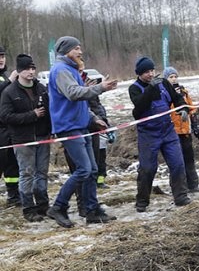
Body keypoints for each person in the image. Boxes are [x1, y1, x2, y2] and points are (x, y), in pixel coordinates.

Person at [46, 36, 118, 228]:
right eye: (76, 48)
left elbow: (80, 104)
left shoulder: (71, 69)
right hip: (68, 127)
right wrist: (100, 88)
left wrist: (94, 119)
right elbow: (74, 93)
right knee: (84, 169)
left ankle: (91, 210)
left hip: (81, 126)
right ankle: (58, 207)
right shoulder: (60, 70)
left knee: (92, 169)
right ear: (66, 50)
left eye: (80, 48)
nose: (80, 52)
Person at [128, 57, 191, 212]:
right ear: (139, 74)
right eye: (146, 72)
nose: (150, 74)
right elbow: (140, 106)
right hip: (148, 133)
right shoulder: (134, 88)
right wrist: (150, 89)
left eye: (152, 71)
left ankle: (181, 196)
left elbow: (177, 99)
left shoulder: (164, 84)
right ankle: (142, 201)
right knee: (148, 168)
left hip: (167, 130)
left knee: (177, 163)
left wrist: (183, 109)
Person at [0, 54, 51, 222]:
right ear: (19, 71)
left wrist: (52, 130)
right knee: (27, 173)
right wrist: (32, 115)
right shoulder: (9, 92)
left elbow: (50, 111)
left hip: (43, 136)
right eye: (26, 69)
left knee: (42, 173)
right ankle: (28, 208)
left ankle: (43, 205)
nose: (30, 72)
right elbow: (6, 117)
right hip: (23, 139)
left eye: (32, 68)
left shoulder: (41, 88)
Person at [61, 61, 113, 217]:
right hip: (74, 130)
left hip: (91, 129)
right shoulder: (70, 83)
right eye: (79, 68)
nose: (81, 70)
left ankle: (91, 206)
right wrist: (92, 89)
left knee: (92, 169)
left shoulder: (87, 83)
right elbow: (74, 100)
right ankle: (77, 205)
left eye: (83, 68)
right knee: (81, 170)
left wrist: (103, 120)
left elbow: (95, 105)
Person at [164, 67, 199, 193]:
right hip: (172, 132)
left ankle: (193, 185)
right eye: (171, 77)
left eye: (175, 76)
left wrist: (195, 125)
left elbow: (191, 108)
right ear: (166, 79)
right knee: (176, 161)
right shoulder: (164, 93)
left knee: (189, 159)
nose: (174, 79)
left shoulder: (184, 92)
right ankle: (178, 187)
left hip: (186, 131)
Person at [0, 46, 21, 207]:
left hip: (9, 127)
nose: (1, 59)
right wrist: (10, 81)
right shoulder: (6, 79)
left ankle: (13, 196)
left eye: (2, 56)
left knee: (12, 163)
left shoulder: (3, 76)